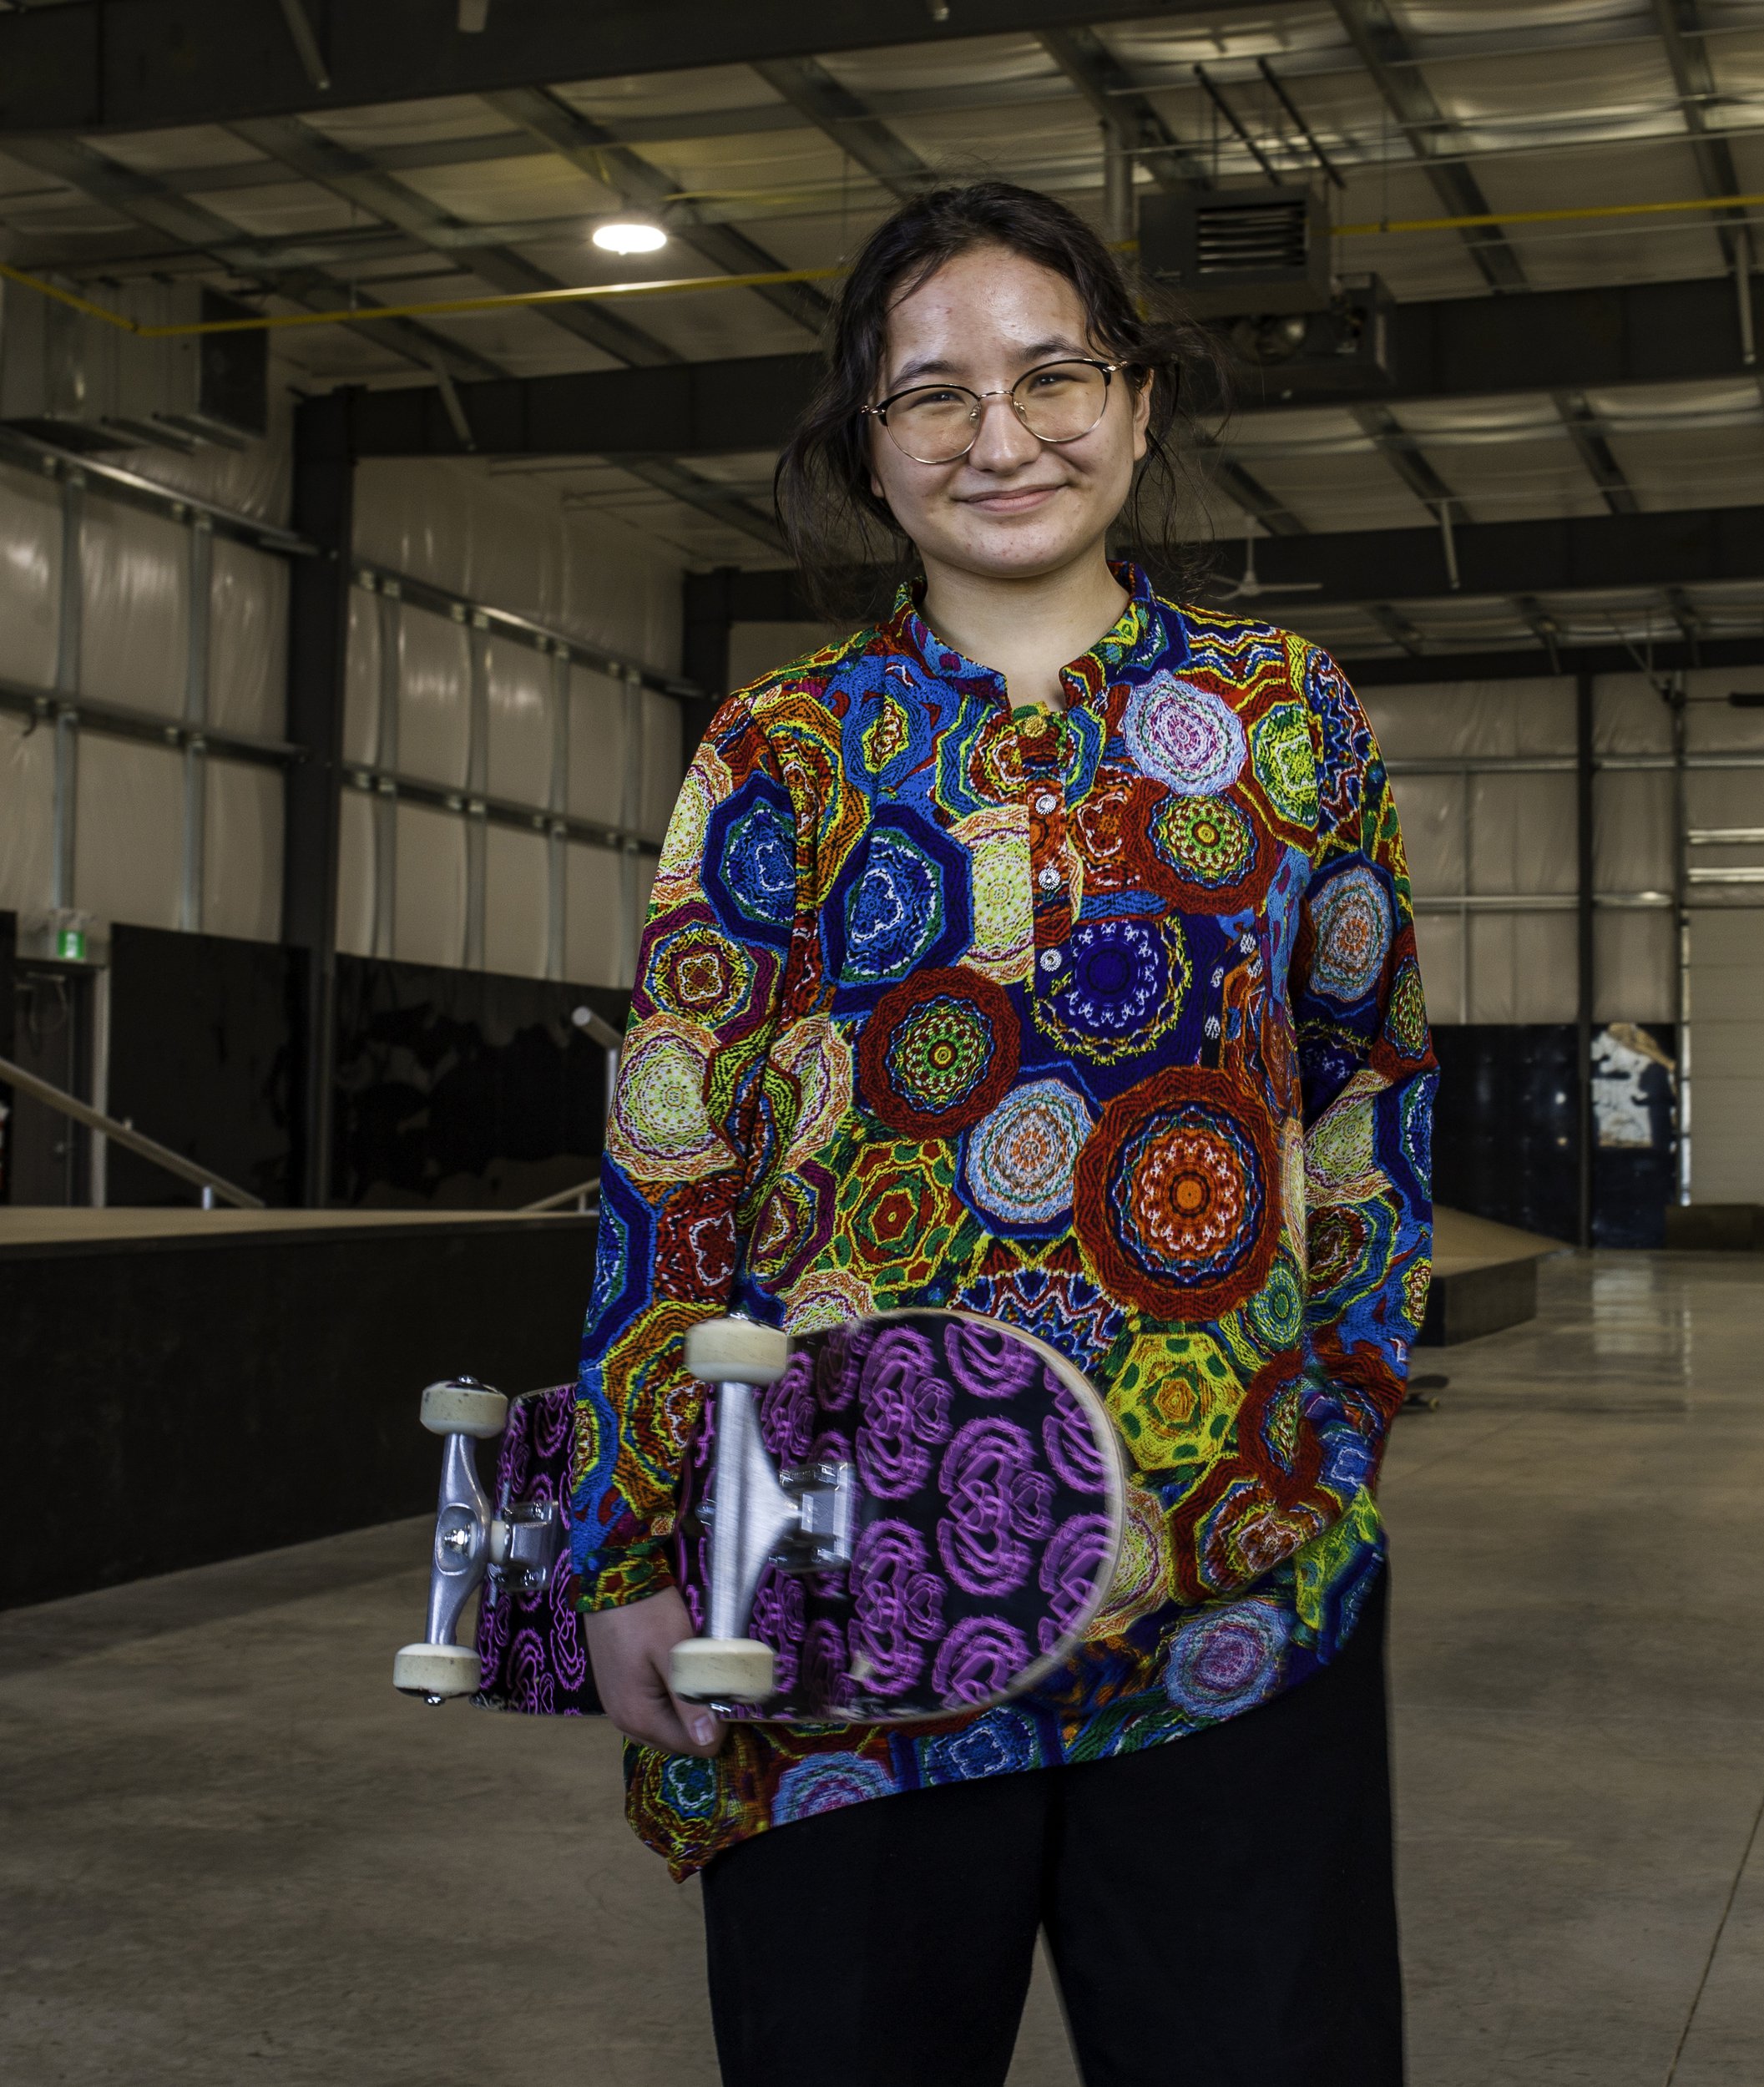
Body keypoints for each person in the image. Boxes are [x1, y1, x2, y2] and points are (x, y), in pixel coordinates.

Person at [567, 181, 1436, 2087]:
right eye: (931, 394)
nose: (999, 434)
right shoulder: (779, 752)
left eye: (1053, 376)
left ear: (1135, 406)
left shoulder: (1290, 721)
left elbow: (1366, 1094)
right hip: (842, 1593)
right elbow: (673, 1155)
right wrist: (622, 1542)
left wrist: (1337, 1416)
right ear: (867, 454)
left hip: (1233, 1590)